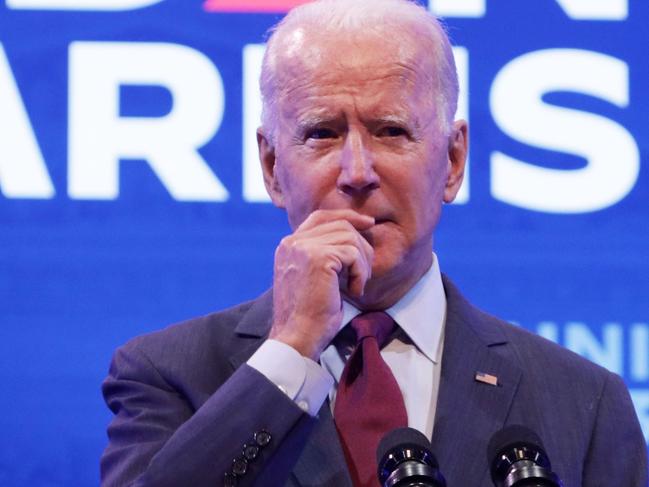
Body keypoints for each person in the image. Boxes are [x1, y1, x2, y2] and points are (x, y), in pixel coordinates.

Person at [100, 1, 648, 486]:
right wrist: (289, 351)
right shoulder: (170, 374)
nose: (357, 172)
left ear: (453, 161)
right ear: (271, 167)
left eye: (391, 131)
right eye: (322, 133)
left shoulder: (584, 401)